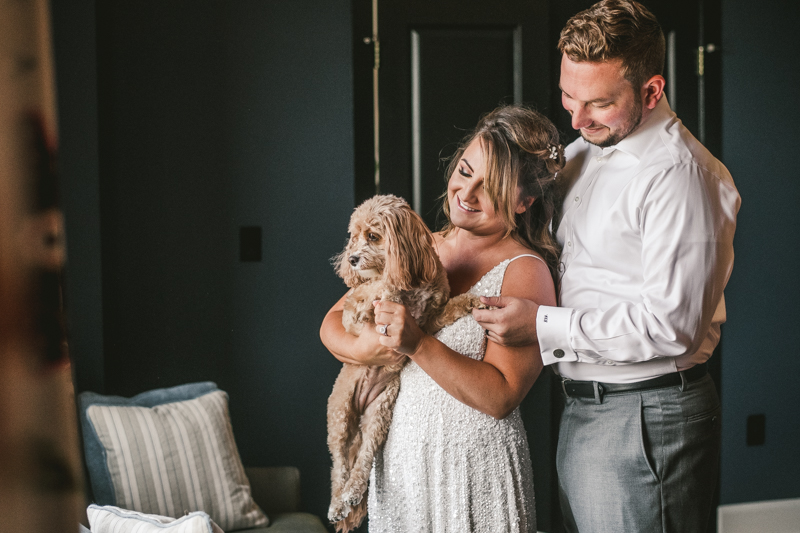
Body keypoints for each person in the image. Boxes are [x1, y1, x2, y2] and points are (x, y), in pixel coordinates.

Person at [473, 1, 741, 532]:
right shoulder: (584, 149)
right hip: (588, 408)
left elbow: (672, 326)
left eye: (597, 103)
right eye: (568, 96)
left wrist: (541, 324)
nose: (575, 119)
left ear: (651, 91)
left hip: (646, 419)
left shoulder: (678, 177)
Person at [320, 105, 565, 532]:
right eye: (465, 171)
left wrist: (415, 343)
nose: (466, 193)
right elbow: (333, 322)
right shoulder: (419, 245)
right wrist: (370, 352)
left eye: (490, 187)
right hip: (402, 470)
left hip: (473, 473)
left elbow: (501, 396)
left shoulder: (525, 271)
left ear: (525, 200)